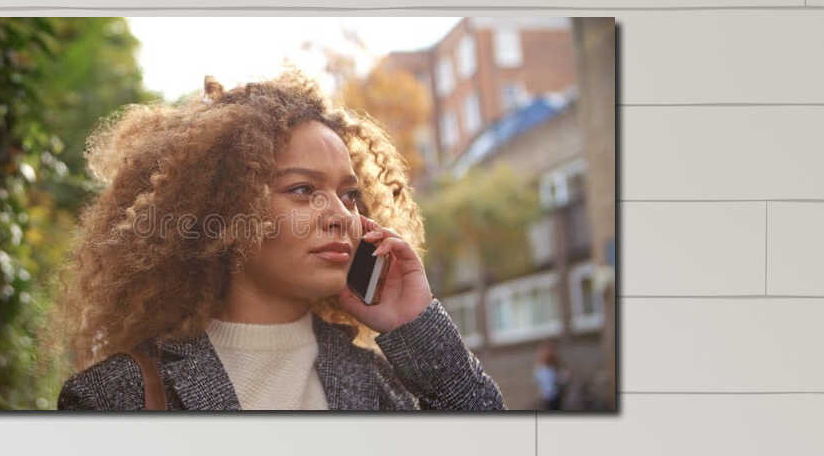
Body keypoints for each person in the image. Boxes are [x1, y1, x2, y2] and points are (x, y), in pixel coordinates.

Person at [51, 69, 504, 411]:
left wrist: (418, 328)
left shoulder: (387, 382)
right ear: (228, 211)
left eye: (349, 195)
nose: (343, 217)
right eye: (304, 190)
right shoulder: (118, 395)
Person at [533, 340, 571, 411]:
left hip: (555, 396)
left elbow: (564, 378)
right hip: (549, 397)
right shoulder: (541, 368)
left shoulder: (554, 366)